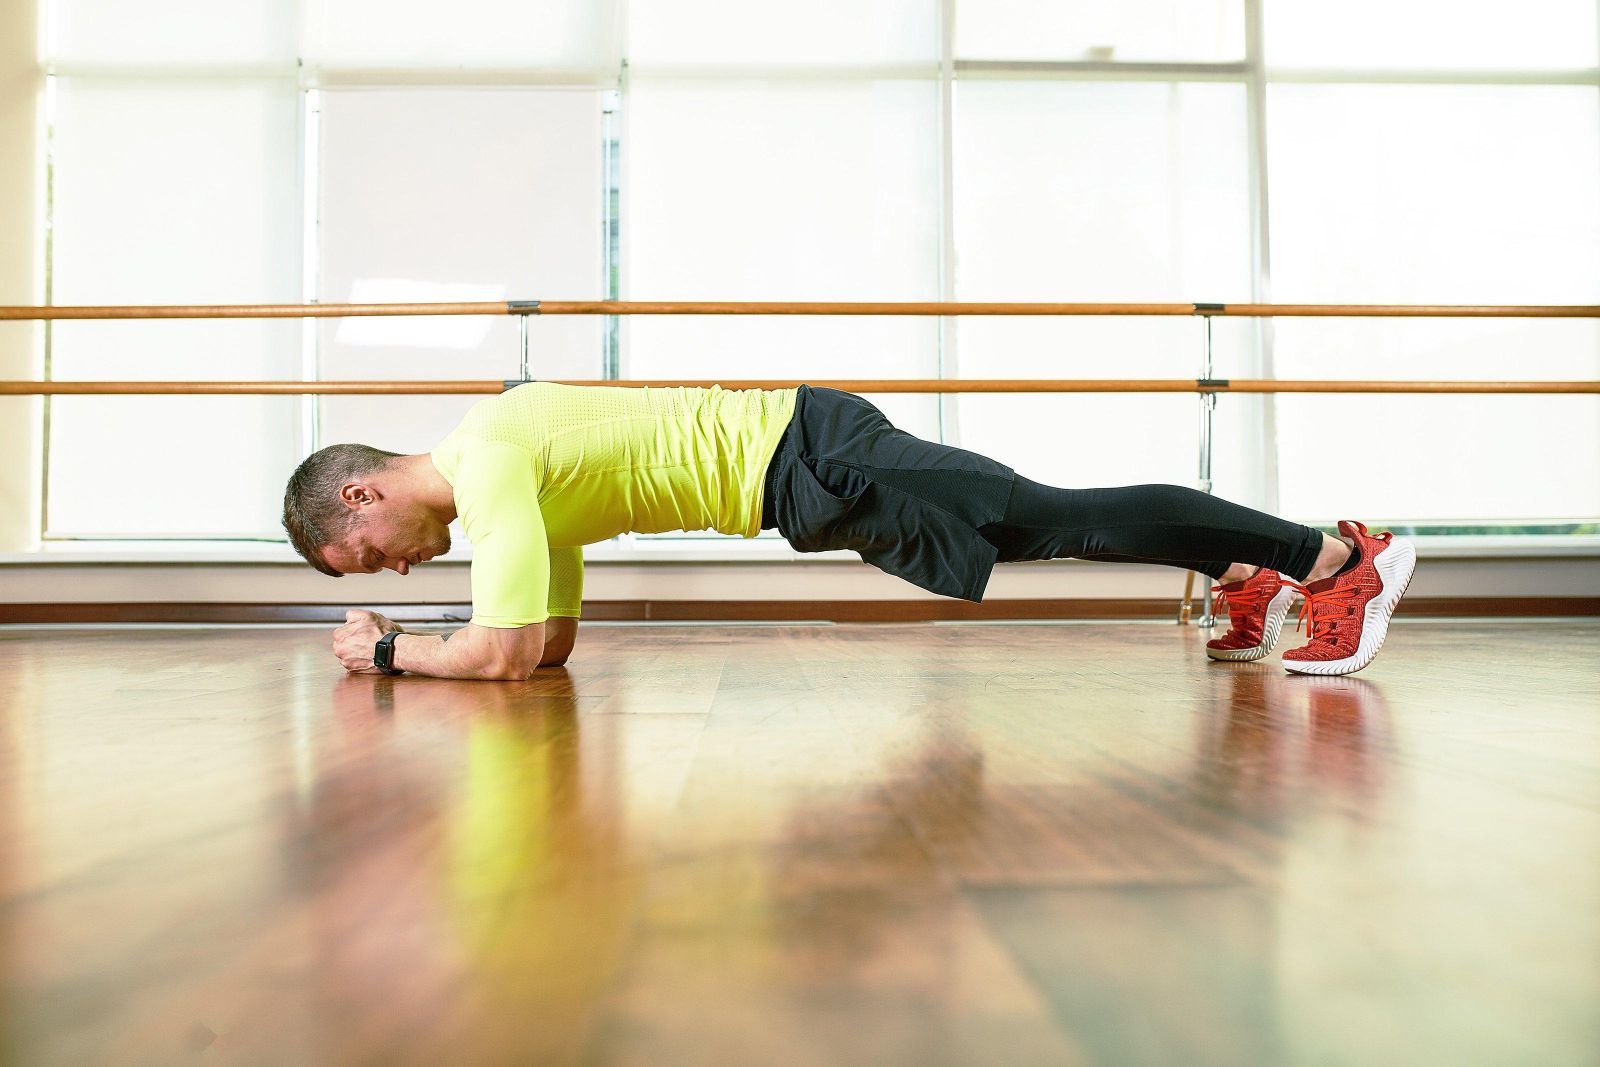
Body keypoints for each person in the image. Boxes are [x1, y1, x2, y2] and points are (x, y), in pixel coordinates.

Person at [281, 382, 1415, 681]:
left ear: (361, 497)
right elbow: (550, 643)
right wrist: (441, 644)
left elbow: (507, 652)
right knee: (1045, 534)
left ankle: (1330, 560)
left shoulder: (491, 466)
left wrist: (388, 648)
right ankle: (1245, 570)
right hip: (811, 477)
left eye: (372, 553)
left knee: (1061, 516)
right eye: (376, 577)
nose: (396, 565)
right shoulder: (508, 472)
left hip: (817, 458)